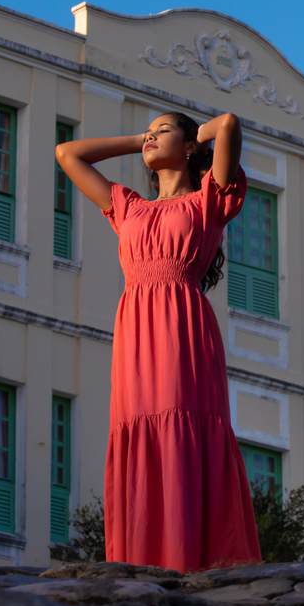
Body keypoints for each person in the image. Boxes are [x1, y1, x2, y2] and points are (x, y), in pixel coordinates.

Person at [55, 111, 262, 572]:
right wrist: (140, 141)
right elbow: (67, 154)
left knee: (179, 427)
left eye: (161, 129)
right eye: (148, 130)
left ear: (189, 147)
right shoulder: (129, 207)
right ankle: (144, 564)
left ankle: (192, 561)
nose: (151, 135)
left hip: (181, 325)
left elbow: (227, 124)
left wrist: (191, 139)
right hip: (134, 330)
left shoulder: (208, 199)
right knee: (140, 431)